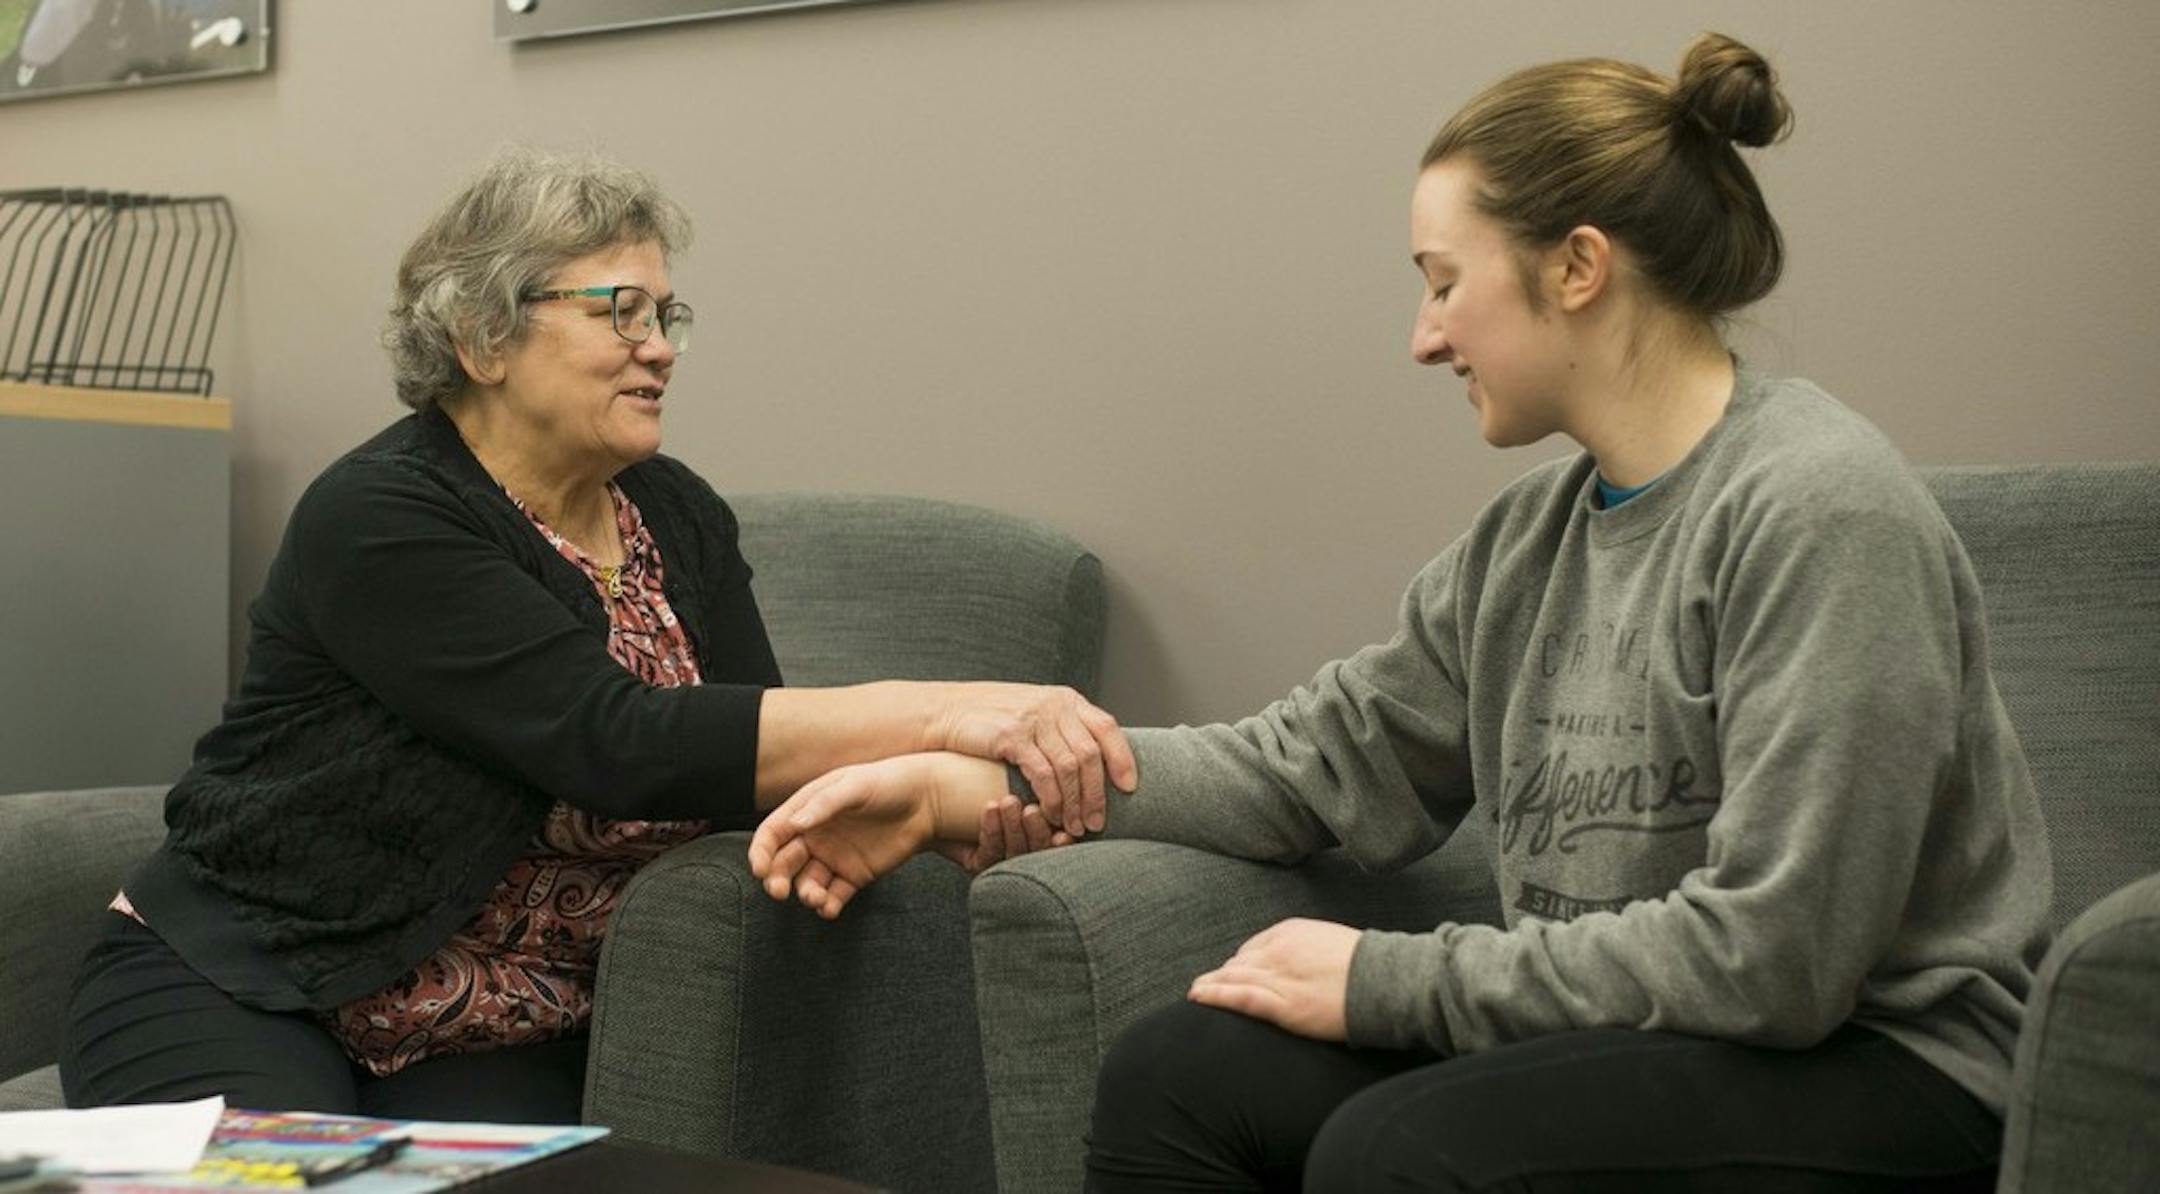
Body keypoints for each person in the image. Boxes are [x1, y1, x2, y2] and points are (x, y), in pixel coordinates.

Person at [748, 34, 2051, 1191]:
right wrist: (944, 792)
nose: (1426, 337)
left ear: (1579, 267)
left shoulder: (1821, 512)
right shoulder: (1528, 543)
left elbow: (1776, 960)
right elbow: (1305, 768)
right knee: (1179, 1071)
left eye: (1443, 279)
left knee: (1402, 1148)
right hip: (1638, 1035)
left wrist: (1392, 981)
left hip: (1888, 1062)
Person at [58, 146, 1133, 1124]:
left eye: (668, 316)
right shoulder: (383, 514)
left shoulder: (675, 513)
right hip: (253, 980)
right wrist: (957, 708)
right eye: (619, 311)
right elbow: (615, 739)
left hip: (498, 1023)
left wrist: (950, 795)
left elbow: (741, 765)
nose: (658, 350)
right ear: (483, 336)